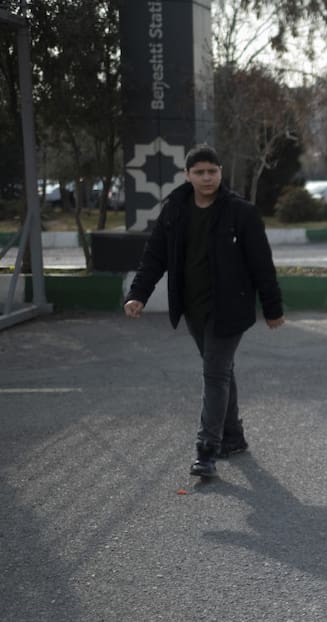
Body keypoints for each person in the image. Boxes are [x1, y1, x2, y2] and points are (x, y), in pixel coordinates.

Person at [123, 144, 285, 478]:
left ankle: (206, 450)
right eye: (199, 172)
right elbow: (155, 255)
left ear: (221, 173)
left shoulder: (241, 212)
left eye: (212, 171)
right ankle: (234, 436)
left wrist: (272, 308)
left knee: (214, 373)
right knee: (220, 370)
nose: (207, 177)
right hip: (193, 307)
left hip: (230, 306)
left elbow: (261, 264)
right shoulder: (175, 210)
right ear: (188, 175)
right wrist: (138, 294)